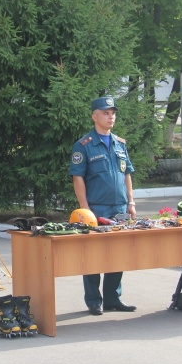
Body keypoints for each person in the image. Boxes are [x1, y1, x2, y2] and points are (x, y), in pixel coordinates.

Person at [69, 96, 136, 316]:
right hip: (96, 209)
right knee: (93, 256)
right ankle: (93, 301)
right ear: (94, 116)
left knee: (118, 255)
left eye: (113, 113)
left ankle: (113, 299)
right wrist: (84, 209)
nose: (111, 116)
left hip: (119, 208)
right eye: (106, 113)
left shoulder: (119, 143)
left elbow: (126, 174)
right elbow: (78, 178)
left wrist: (131, 202)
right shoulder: (84, 145)